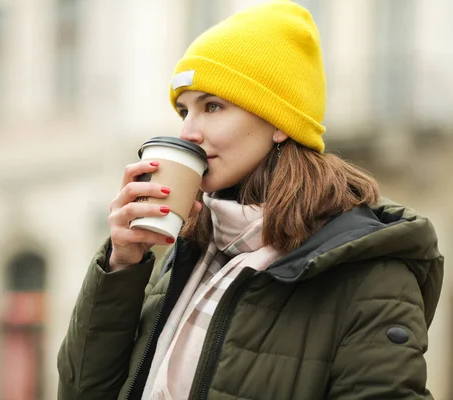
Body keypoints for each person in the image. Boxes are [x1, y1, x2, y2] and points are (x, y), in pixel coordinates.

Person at [57, 1, 444, 399]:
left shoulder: (370, 271)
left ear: (278, 122)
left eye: (212, 106)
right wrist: (122, 264)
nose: (188, 131)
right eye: (183, 110)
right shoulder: (192, 250)